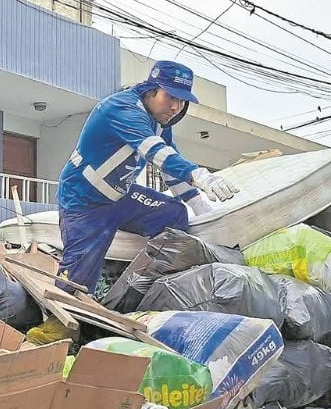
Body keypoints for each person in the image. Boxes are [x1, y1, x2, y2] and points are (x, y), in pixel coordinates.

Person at [53, 60, 239, 295]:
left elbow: (169, 165)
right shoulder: (121, 109)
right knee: (76, 279)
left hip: (120, 198)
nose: (175, 107)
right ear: (151, 90)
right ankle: (57, 324)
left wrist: (197, 204)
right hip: (83, 201)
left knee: (174, 214)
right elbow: (156, 152)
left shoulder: (161, 122)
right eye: (170, 97)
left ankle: (147, 285)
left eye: (182, 101)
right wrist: (200, 176)